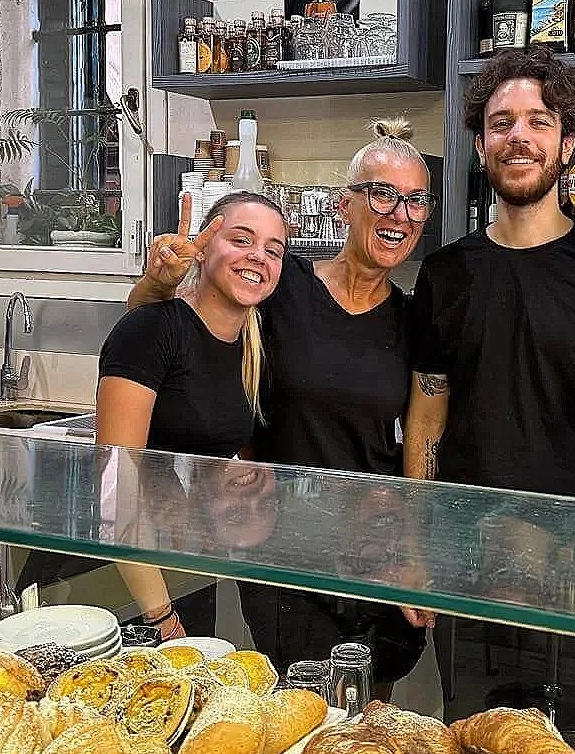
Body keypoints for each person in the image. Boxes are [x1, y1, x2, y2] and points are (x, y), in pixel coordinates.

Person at [404, 45, 575, 743]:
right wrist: (418, 546)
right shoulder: (445, 273)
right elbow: (428, 414)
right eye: (501, 122)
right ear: (479, 144)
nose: (518, 136)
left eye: (538, 121)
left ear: (568, 144)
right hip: (466, 563)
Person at [128, 120, 434, 688]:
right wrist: (160, 282)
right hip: (282, 555)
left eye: (416, 200)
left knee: (371, 716)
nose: (400, 213)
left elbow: (421, 435)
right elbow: (169, 335)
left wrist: (413, 549)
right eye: (382, 194)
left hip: (377, 553)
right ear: (344, 206)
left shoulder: (414, 318)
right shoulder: (281, 284)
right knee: (306, 713)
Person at [97, 189, 288, 641]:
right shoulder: (152, 328)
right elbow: (115, 484)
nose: (257, 257)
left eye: (273, 249)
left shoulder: (252, 345)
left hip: (182, 562)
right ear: (202, 249)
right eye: (241, 240)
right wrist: (160, 616)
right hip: (124, 580)